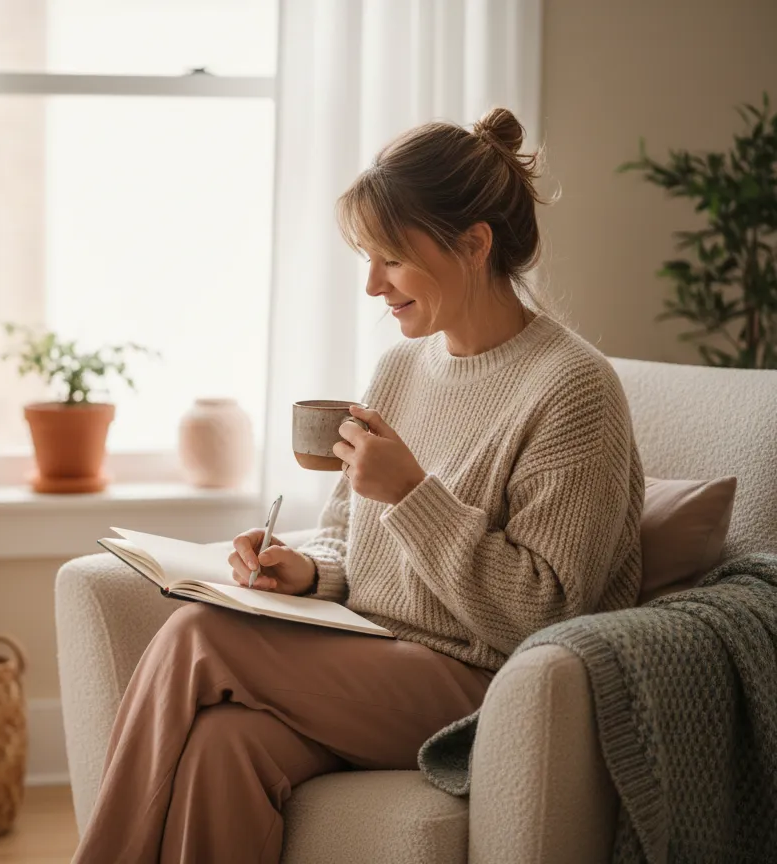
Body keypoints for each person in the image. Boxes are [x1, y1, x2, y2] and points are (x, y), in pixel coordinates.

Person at [72, 107, 644, 864]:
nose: (373, 284)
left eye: (391, 260)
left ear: (474, 245)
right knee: (223, 744)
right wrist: (308, 571)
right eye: (367, 260)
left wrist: (412, 496)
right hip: (381, 656)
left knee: (198, 635)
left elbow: (547, 613)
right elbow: (354, 541)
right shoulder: (401, 368)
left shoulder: (572, 390)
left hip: (495, 688)